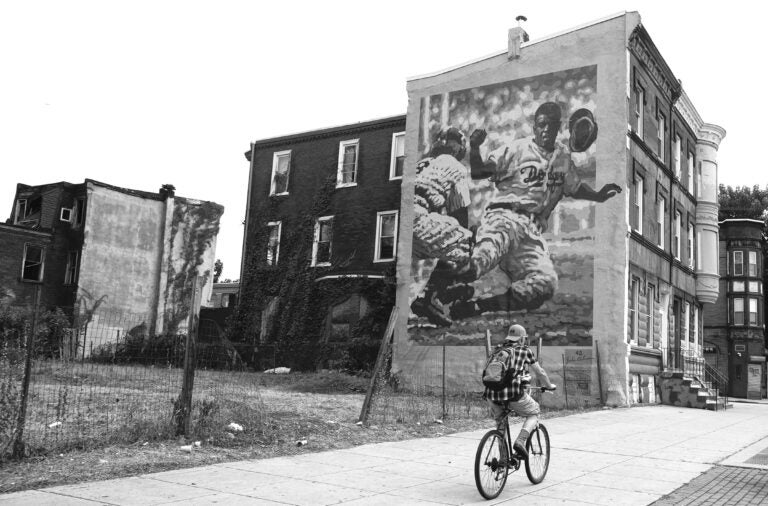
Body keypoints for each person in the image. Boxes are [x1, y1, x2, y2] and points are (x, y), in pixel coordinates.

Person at [450, 102, 622, 317]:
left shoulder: (563, 159)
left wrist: (597, 195)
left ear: (558, 127)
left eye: (551, 125)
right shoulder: (517, 148)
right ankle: (434, 292)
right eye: (542, 125)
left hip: (531, 231)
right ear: (534, 127)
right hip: (504, 218)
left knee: (544, 284)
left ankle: (477, 306)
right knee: (480, 261)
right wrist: (475, 148)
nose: (546, 130)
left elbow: (575, 188)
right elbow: (479, 172)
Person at [409, 126, 473, 325]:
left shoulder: (421, 164)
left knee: (429, 249)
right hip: (419, 217)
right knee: (464, 243)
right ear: (458, 148)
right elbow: (460, 215)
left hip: (402, 223)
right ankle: (429, 298)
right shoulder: (455, 167)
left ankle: (425, 296)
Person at [485, 324, 556, 459]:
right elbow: (540, 372)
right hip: (512, 394)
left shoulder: (497, 350)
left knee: (501, 427)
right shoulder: (524, 351)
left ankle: (503, 462)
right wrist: (549, 385)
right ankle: (521, 441)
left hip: (491, 394)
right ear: (522, 338)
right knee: (534, 411)